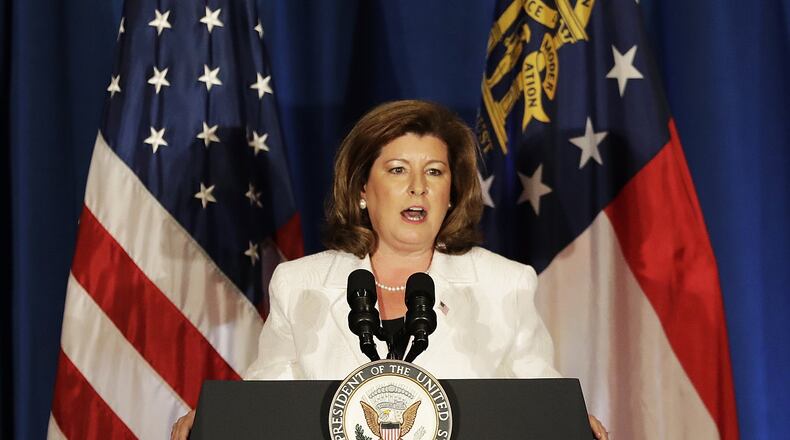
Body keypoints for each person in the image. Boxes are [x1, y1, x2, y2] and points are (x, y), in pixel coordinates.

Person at [172, 100, 608, 439]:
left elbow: (538, 398)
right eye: (398, 170)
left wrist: (569, 421)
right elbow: (269, 400)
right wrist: (215, 421)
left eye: (434, 172)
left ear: (451, 194)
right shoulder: (301, 283)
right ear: (363, 189)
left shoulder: (503, 285)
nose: (418, 185)